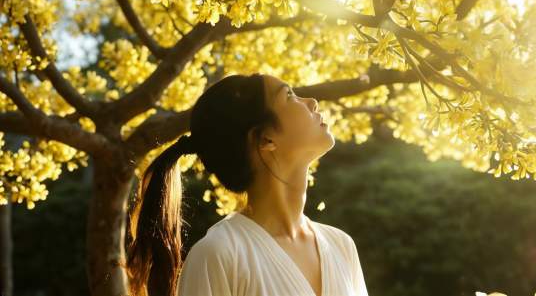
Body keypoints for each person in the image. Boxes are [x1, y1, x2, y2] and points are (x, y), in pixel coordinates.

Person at [125, 72, 369, 296]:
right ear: (265, 139)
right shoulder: (219, 255)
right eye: (289, 95)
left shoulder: (341, 246)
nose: (312, 102)